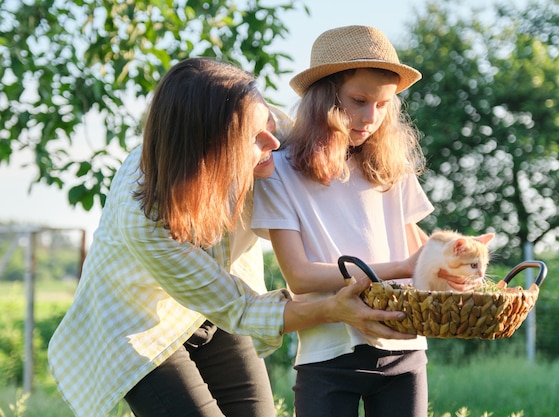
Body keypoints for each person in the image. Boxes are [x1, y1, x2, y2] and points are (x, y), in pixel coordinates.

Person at [47, 57, 413, 417]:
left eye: (268, 120)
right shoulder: (145, 218)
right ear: (210, 153)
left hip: (219, 308)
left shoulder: (263, 132)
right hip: (143, 326)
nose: (275, 140)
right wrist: (333, 309)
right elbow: (242, 309)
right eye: (254, 139)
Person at [251, 26, 435, 417]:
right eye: (359, 100)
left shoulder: (390, 168)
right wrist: (398, 267)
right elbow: (299, 276)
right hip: (328, 353)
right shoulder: (278, 170)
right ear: (324, 97)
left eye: (384, 104)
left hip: (403, 347)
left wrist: (454, 261)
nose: (371, 117)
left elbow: (420, 250)